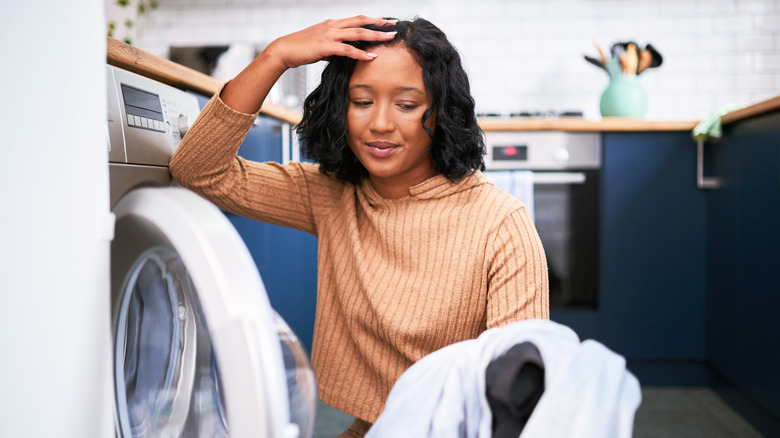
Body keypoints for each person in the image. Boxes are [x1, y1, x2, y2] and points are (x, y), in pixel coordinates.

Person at [169, 15, 549, 437]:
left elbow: (519, 399)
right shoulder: (332, 194)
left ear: (441, 113)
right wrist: (277, 56)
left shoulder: (500, 224)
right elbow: (200, 170)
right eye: (362, 101)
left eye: (407, 105)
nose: (380, 123)